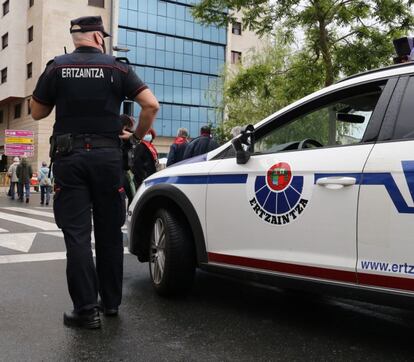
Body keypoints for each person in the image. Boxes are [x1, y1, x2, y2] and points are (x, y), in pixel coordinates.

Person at [30, 16, 159, 329]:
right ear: (98, 37)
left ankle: (86, 311)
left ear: (75, 38)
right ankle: (111, 303)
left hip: (69, 157)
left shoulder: (57, 67)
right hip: (107, 158)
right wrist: (138, 137)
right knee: (109, 232)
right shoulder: (117, 68)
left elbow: (37, 112)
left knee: (76, 235)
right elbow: (150, 105)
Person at [120, 114, 136, 205]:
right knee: (130, 194)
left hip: (125, 169)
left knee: (131, 195)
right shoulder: (123, 135)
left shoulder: (128, 135)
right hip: (123, 169)